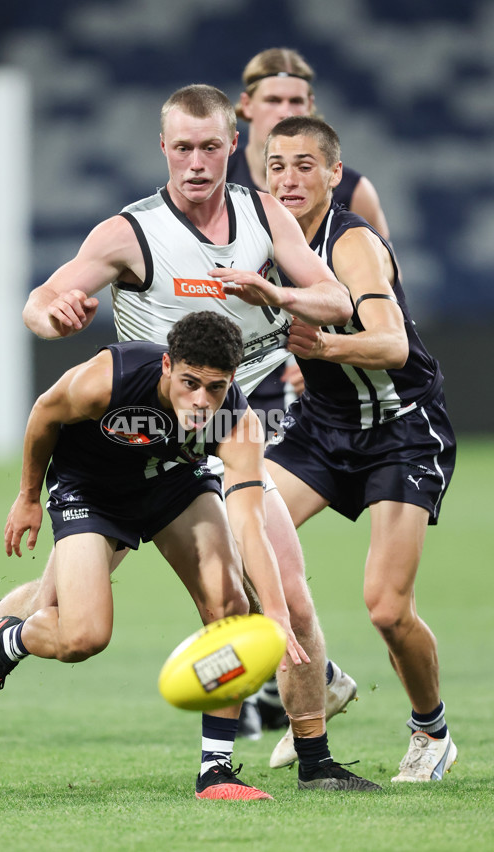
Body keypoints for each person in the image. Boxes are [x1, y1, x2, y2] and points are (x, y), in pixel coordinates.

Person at [0, 85, 379, 793]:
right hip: (122, 440)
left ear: (233, 147)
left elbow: (338, 302)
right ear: (164, 148)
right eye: (183, 147)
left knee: (267, 596)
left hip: (220, 435)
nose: (196, 162)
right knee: (73, 623)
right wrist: (53, 316)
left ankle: (272, 766)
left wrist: (275, 295)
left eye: (211, 147)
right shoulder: (129, 235)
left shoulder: (263, 217)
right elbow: (44, 301)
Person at [0, 311, 308, 800]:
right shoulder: (108, 380)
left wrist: (278, 612)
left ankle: (216, 772)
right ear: (166, 366)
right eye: (190, 383)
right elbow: (45, 413)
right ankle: (10, 639)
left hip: (175, 485)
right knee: (82, 637)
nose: (202, 401)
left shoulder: (238, 424)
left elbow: (249, 522)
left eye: (216, 388)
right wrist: (29, 496)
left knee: (231, 610)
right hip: (91, 490)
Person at [210, 115, 457, 783]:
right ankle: (322, 682)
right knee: (242, 543)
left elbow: (394, 344)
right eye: (277, 165)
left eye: (304, 165)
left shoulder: (352, 244)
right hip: (323, 428)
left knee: (386, 607)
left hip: (402, 429)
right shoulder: (262, 240)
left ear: (332, 175)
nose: (289, 178)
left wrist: (325, 346)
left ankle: (431, 732)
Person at [227, 47, 382, 737]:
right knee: (231, 545)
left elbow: (380, 291)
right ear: (246, 110)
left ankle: (300, 686)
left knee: (250, 536)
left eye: (300, 104)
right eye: (275, 102)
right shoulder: (215, 185)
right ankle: (301, 680)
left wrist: (323, 347)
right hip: (235, 386)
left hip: (308, 393)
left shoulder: (351, 194)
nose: (288, 114)